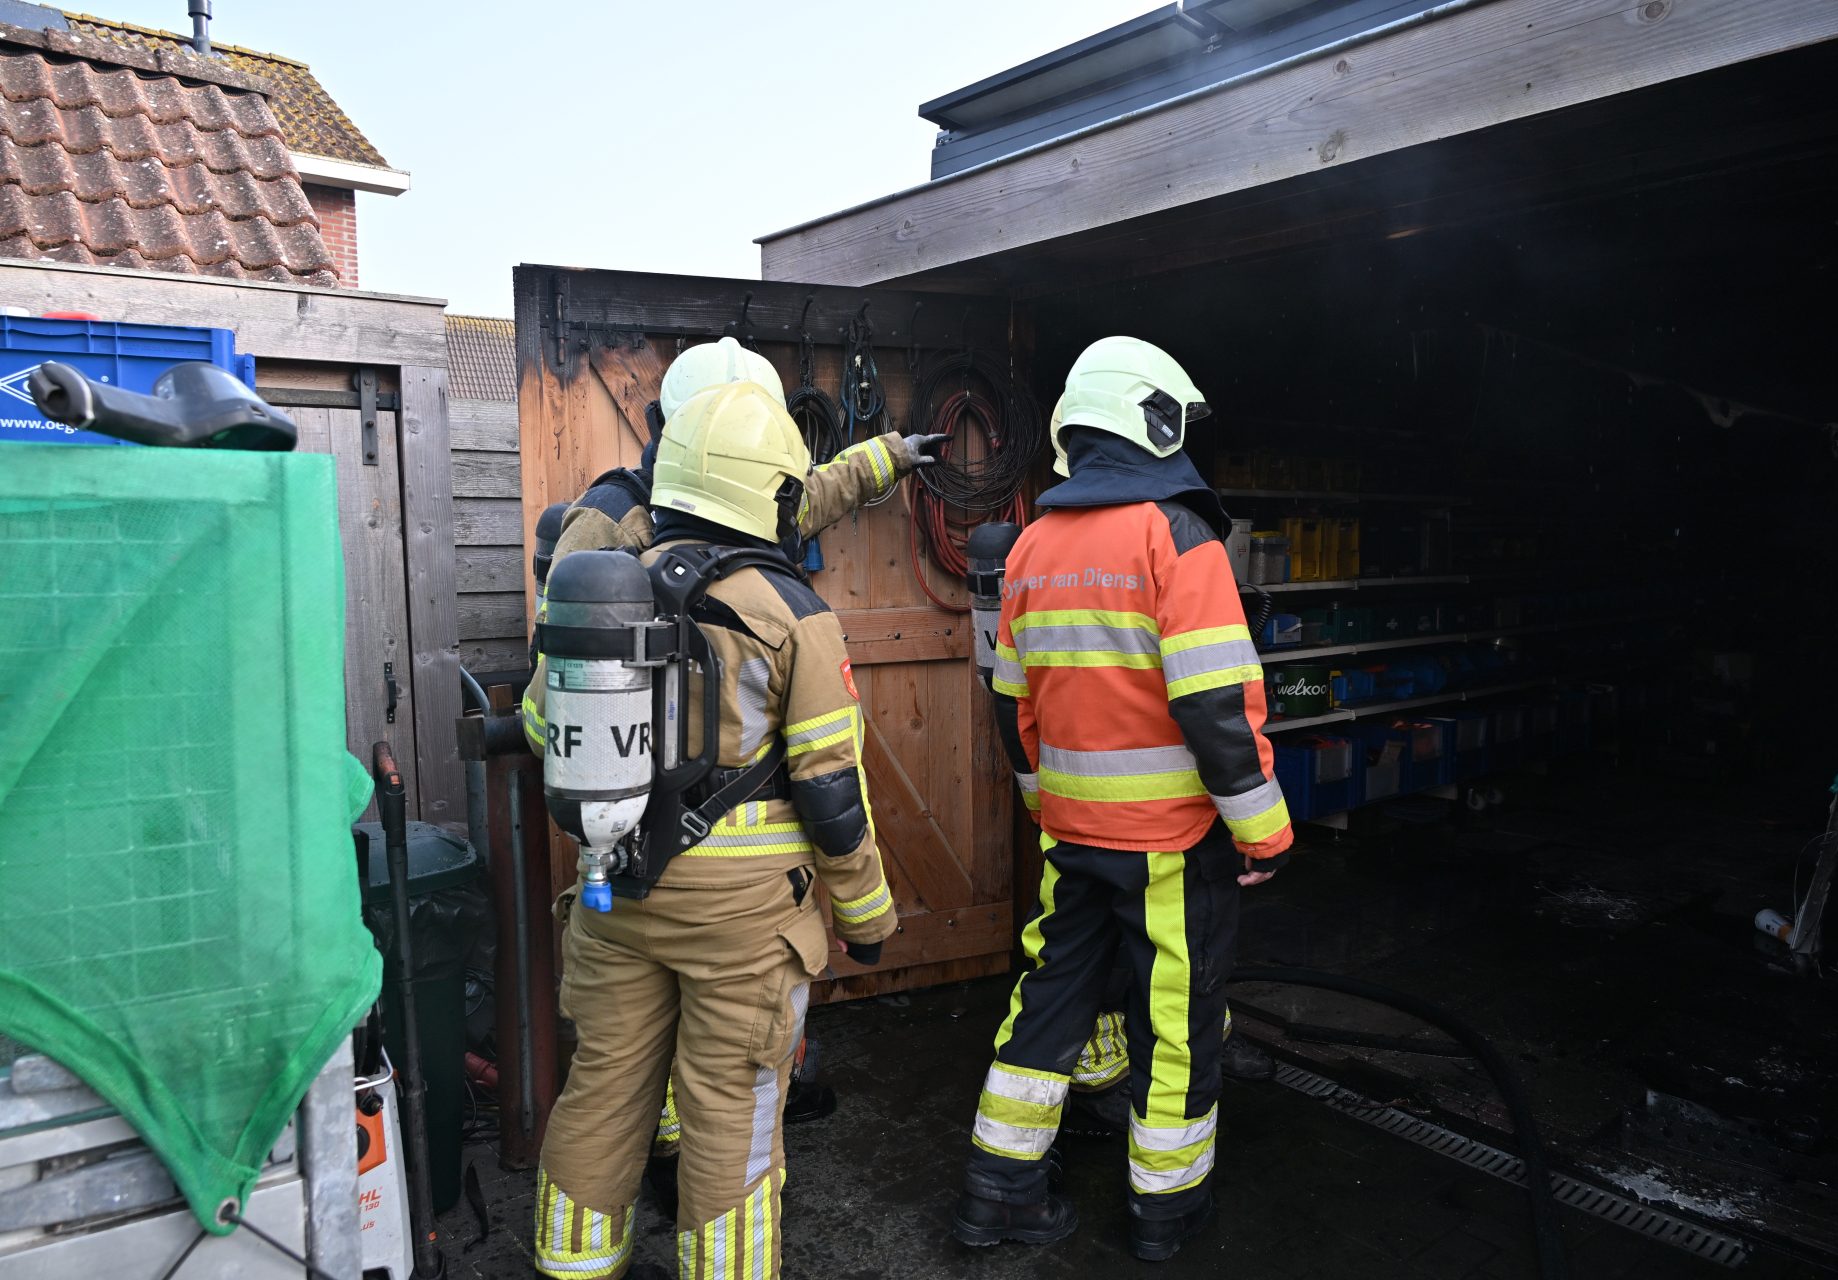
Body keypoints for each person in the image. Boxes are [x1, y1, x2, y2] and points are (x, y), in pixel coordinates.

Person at [521, 336, 943, 1206]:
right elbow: (831, 790)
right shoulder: (795, 616)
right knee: (735, 1116)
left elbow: (539, 719)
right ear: (768, 479)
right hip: (743, 919)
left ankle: (573, 1267)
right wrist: (869, 919)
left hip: (616, 887)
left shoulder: (611, 576)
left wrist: (883, 460)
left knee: (601, 1097)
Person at [952, 336, 1293, 1261]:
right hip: (1171, 847)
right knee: (1176, 1023)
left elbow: (1010, 702)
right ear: (1157, 418)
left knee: (1049, 1000)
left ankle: (997, 1191)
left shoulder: (1029, 546)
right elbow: (1216, 706)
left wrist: (1042, 803)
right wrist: (1263, 831)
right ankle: (1164, 1213)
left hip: (1073, 837)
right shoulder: (1176, 535)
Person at [522, 335, 943, 752]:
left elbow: (819, 493)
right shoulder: (608, 516)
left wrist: (895, 454)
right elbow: (557, 694)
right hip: (650, 770)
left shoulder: (754, 499)